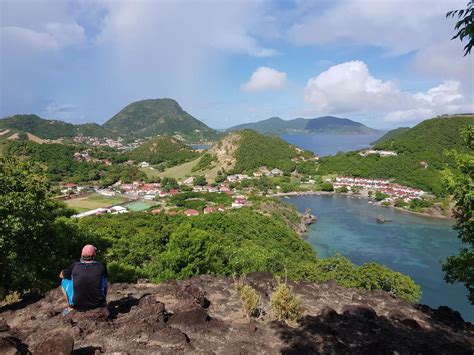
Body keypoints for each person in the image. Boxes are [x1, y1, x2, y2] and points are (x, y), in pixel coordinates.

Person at [59, 244, 107, 314]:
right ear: (94, 255)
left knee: (64, 280)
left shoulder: (75, 266)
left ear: (82, 255)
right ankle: (104, 302)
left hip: (77, 306)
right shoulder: (101, 266)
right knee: (104, 279)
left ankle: (70, 307)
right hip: (98, 304)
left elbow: (61, 276)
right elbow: (105, 284)